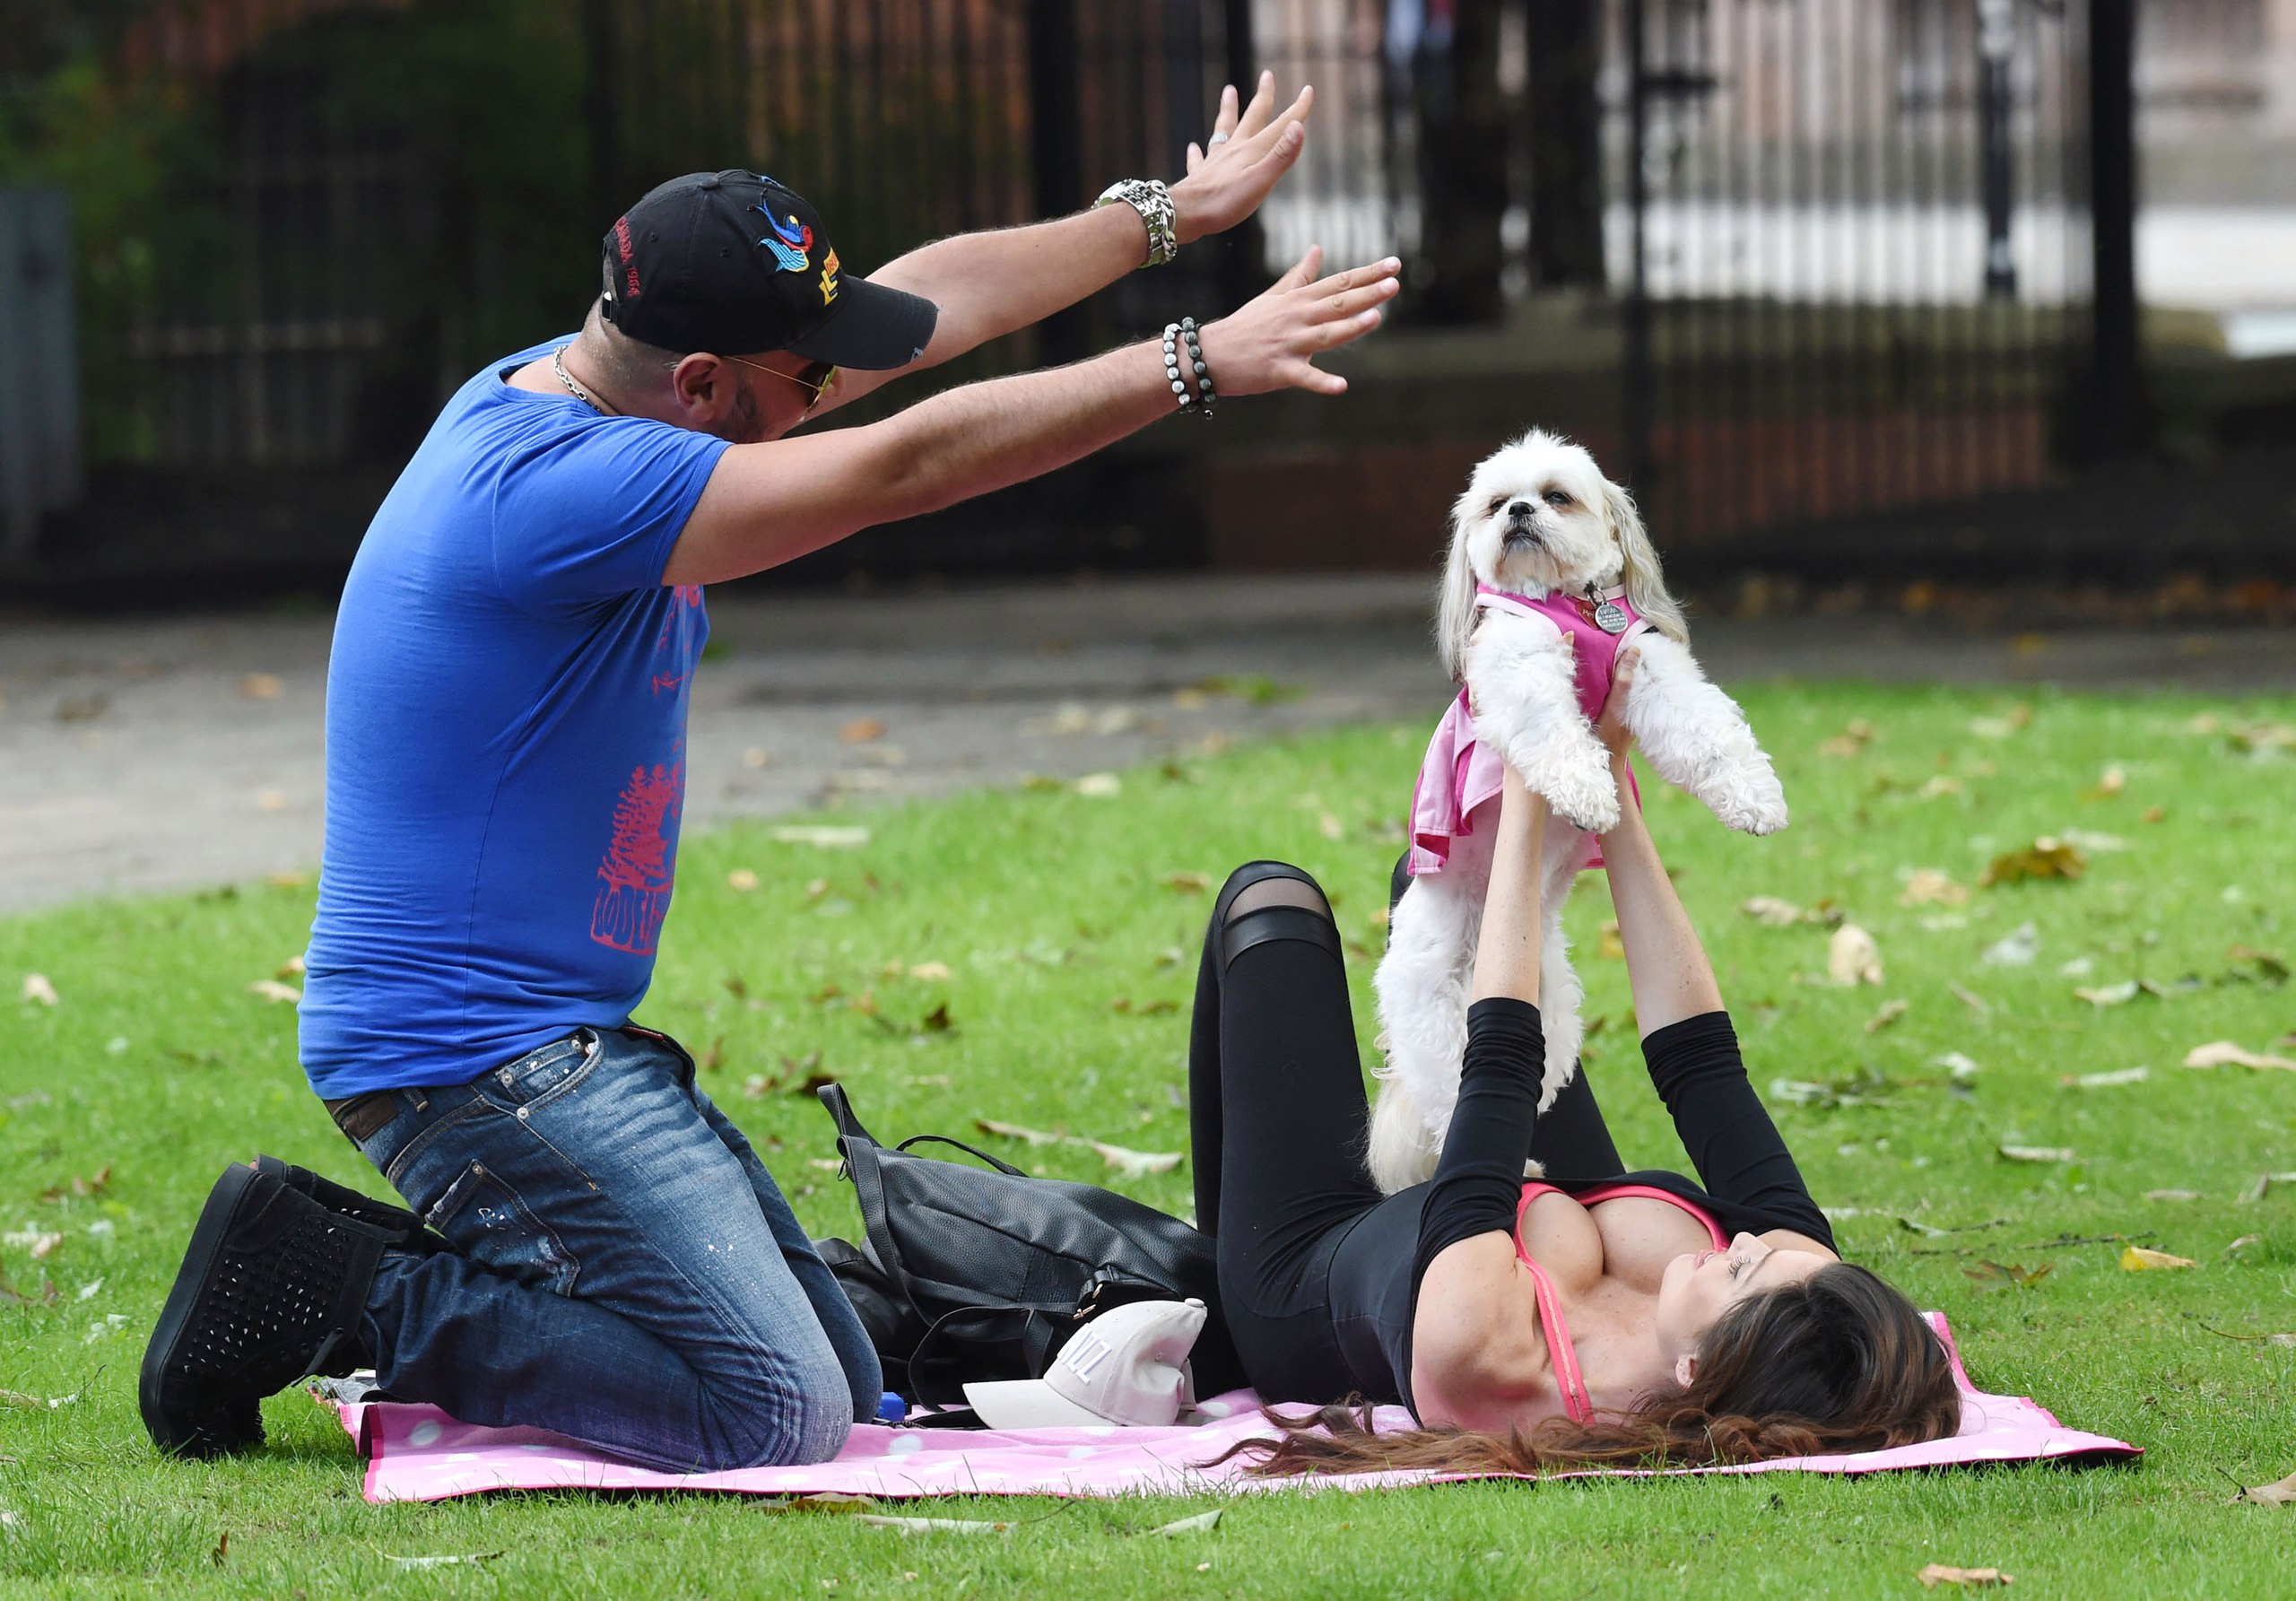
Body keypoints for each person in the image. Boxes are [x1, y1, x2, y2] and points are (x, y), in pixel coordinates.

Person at [140, 74, 1405, 1471]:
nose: (822, 398)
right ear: (699, 383)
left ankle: (392, 1270)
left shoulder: (618, 387)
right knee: (776, 1410)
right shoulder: (568, 488)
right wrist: (1193, 362)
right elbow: (905, 466)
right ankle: (344, 1288)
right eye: (803, 384)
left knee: (849, 1379)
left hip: (560, 1044)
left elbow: (936, 309)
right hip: (471, 1065)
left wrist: (1163, 214)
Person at [1186, 649, 1962, 1473]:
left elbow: (1501, 1062)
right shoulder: (1803, 1307)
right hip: (1518, 1188)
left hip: (1314, 1259)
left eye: (1740, 1273)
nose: (1750, 1246)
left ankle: (1223, 1276)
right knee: (1452, 882)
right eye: (1762, 1256)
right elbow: (1703, 1066)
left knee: (1270, 900)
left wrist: (1529, 769)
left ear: (1697, 1371)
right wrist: (1612, 779)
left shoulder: (1491, 1356)